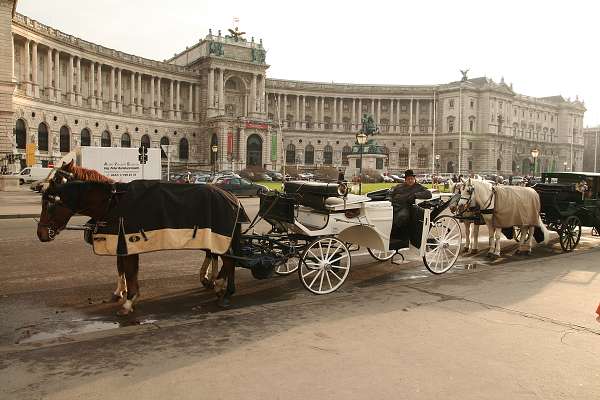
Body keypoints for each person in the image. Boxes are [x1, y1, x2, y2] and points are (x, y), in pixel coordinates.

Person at [388, 169, 432, 247]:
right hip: (394, 206)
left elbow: (428, 194)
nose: (410, 180)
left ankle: (400, 238)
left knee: (401, 217)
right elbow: (391, 193)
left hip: (406, 207)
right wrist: (389, 200)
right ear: (405, 180)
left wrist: (415, 195)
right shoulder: (399, 186)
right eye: (408, 179)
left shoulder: (418, 187)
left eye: (412, 179)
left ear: (414, 179)